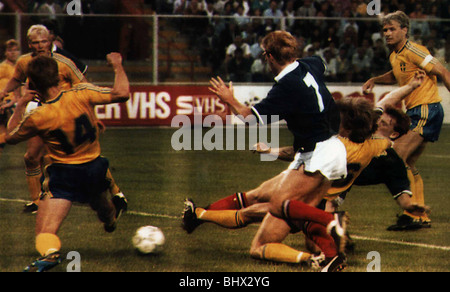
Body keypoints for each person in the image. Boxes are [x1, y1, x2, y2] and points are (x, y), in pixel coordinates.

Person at [183, 72, 428, 271]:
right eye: (380, 120)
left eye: (385, 123)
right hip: (320, 197)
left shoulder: (336, 144)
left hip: (306, 194)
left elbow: (299, 152)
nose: (381, 120)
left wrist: (271, 151)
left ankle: (200, 214)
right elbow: (385, 104)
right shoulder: (379, 144)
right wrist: (411, 207)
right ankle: (199, 214)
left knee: (255, 216)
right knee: (256, 203)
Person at [187, 30, 349, 266]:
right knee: (265, 197)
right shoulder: (310, 64)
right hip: (324, 149)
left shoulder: (285, 87)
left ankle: (330, 221)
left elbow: (247, 118)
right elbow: (321, 65)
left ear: (269, 56)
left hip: (318, 153)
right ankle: (328, 255)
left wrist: (228, 98)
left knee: (277, 204)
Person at [5, 52, 130, 272]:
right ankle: (110, 219)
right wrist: (118, 66)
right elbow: (122, 93)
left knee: (45, 232)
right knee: (101, 207)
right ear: (57, 76)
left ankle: (51, 254)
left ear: (33, 84)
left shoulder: (39, 116)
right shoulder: (81, 93)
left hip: (65, 174)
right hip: (94, 167)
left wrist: (21, 103)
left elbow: (10, 135)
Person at [362, 11, 450, 229]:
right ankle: (418, 214)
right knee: (406, 162)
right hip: (416, 111)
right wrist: (375, 79)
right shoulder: (395, 54)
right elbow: (395, 74)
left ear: (405, 30)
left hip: (426, 109)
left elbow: (443, 71)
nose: (388, 33)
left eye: (392, 29)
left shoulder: (415, 50)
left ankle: (412, 214)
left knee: (396, 157)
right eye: (385, 30)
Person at [0, 40, 21, 157]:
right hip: (5, 102)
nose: (13, 53)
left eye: (16, 50)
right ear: (5, 53)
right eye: (10, 51)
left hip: (16, 102)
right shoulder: (3, 67)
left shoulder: (19, 67)